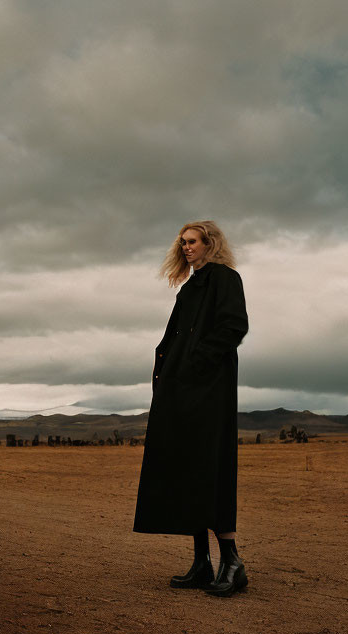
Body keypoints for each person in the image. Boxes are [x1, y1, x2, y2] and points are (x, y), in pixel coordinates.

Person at [133, 221, 249, 597]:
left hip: (207, 392)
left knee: (210, 468)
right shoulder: (190, 287)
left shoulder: (224, 278)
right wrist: (167, 372)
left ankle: (232, 562)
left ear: (210, 244)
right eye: (182, 242)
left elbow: (233, 327)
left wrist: (197, 364)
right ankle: (202, 563)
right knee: (187, 469)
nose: (186, 248)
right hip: (179, 391)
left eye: (193, 242)